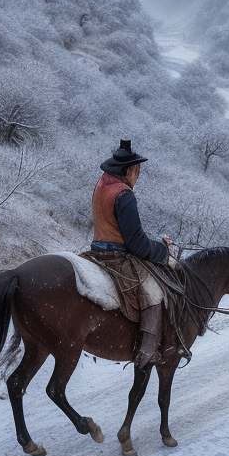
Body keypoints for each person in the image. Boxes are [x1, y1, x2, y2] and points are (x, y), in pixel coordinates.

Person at [91, 139, 175, 367]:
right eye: (137, 171)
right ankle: (146, 352)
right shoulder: (124, 194)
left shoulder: (102, 184)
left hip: (97, 252)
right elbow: (137, 244)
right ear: (129, 170)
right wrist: (163, 249)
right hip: (117, 257)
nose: (137, 176)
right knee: (154, 292)